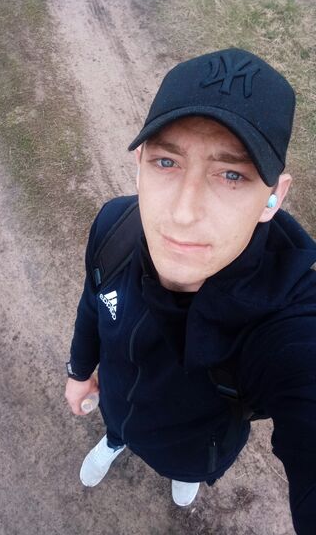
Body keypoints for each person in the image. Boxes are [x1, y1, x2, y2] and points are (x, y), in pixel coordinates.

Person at [64, 48, 316, 534]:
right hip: (116, 406)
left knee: (184, 469)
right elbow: (93, 303)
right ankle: (115, 441)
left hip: (195, 451)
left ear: (273, 198)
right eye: (166, 161)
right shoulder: (115, 227)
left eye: (231, 174)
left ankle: (185, 477)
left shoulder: (286, 319)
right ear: (139, 165)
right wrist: (78, 370)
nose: (183, 213)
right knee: (117, 428)